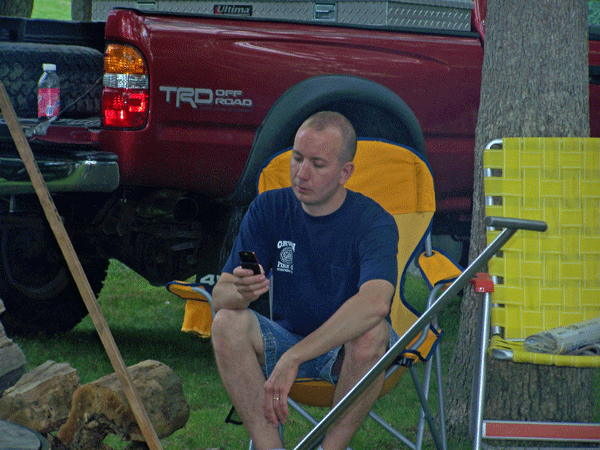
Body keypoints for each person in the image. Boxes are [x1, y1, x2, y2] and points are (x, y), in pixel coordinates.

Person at [211, 111, 399, 450]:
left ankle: (330, 448)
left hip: (344, 353)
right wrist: (239, 292)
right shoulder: (269, 207)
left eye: (317, 163)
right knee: (226, 322)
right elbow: (219, 297)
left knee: (374, 332)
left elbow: (376, 302)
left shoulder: (373, 222)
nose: (302, 173)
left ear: (345, 173)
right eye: (296, 158)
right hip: (284, 337)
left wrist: (294, 357)